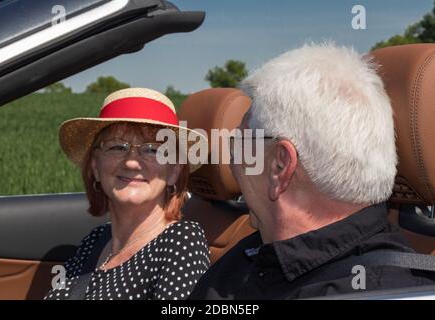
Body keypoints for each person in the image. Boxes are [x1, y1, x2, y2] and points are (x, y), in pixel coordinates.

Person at [189, 43, 435, 300]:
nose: (231, 161)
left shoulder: (376, 293)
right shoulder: (255, 254)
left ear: (280, 166)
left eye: (238, 142)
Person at [45, 88, 210, 300]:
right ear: (95, 167)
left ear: (174, 172)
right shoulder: (95, 241)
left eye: (152, 149)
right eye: (117, 147)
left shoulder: (182, 241)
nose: (132, 162)